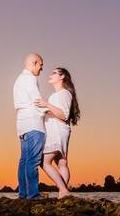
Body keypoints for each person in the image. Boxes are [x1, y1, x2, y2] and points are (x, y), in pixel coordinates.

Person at [36, 67, 80, 199]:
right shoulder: (59, 94)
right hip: (61, 130)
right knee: (61, 163)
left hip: (57, 130)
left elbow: (63, 115)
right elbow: (58, 113)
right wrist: (45, 110)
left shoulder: (63, 93)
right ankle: (62, 194)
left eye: (54, 73)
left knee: (44, 161)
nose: (51, 74)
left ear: (62, 77)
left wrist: (46, 104)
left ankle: (64, 191)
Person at [13, 53, 45, 199]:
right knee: (33, 161)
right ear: (34, 63)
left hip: (22, 124)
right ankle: (33, 195)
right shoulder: (30, 78)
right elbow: (37, 100)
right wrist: (51, 112)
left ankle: (23, 194)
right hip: (33, 122)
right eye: (40, 65)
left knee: (24, 160)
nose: (41, 69)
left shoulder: (19, 80)